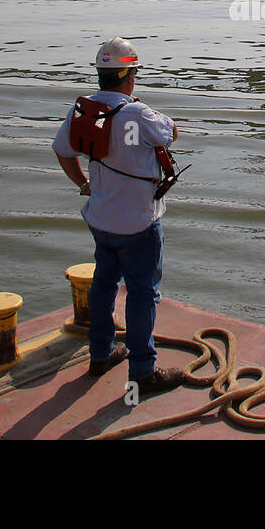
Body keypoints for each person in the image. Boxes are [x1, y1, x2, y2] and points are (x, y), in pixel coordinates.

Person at [51, 37, 185, 397]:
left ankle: (101, 354)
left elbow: (62, 151)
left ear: (100, 75)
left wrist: (83, 184)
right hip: (139, 224)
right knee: (143, 294)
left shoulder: (82, 111)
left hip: (100, 219)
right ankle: (143, 372)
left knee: (103, 284)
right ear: (130, 76)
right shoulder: (137, 114)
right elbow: (171, 133)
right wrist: (144, 110)